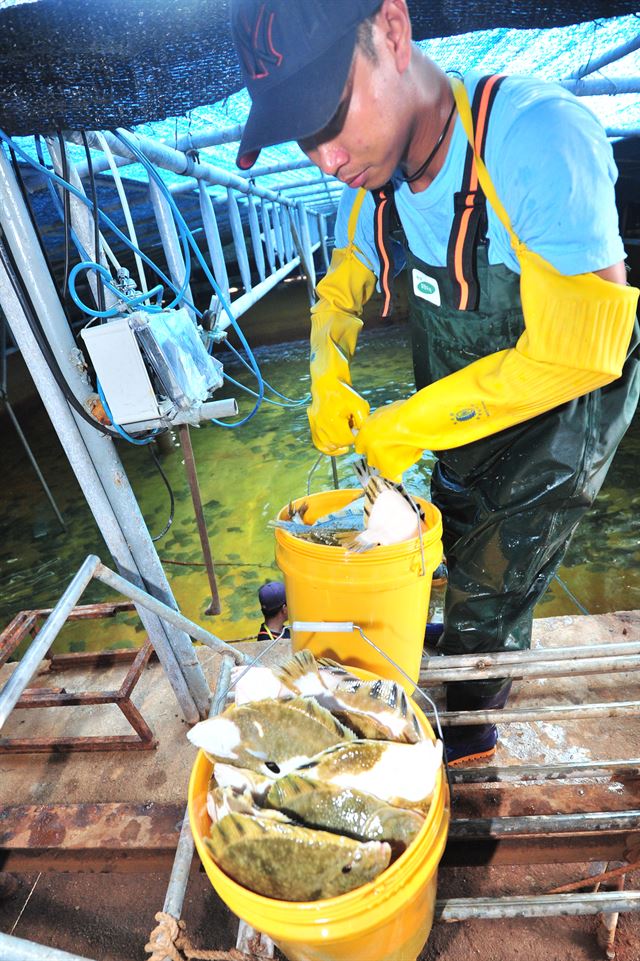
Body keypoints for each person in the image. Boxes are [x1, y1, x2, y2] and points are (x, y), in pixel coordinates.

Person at [231, 0, 640, 764]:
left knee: (496, 570)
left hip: (560, 422)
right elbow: (342, 287)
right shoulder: (373, 185)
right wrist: (327, 371)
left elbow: (587, 349)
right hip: (464, 417)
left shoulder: (533, 136)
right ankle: (460, 627)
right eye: (302, 136)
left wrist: (409, 424)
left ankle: (474, 724)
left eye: (329, 114)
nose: (324, 158)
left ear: (392, 30)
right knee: (450, 518)